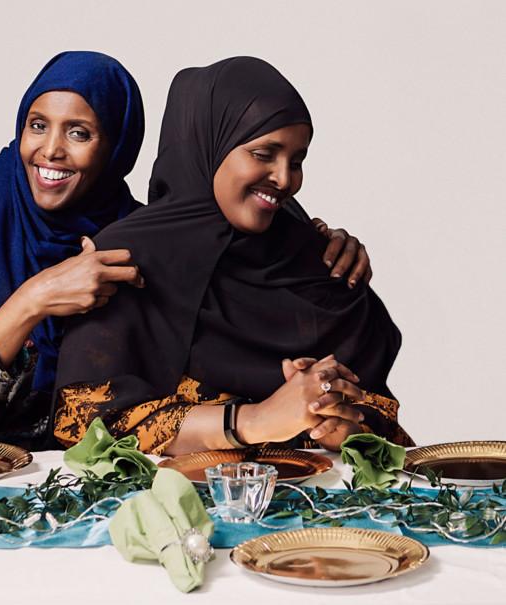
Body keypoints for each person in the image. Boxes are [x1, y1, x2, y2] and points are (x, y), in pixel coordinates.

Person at [0, 51, 370, 450]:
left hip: (91, 488)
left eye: (79, 133)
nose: (50, 150)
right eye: (37, 124)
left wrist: (318, 244)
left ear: (117, 149)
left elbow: (172, 396)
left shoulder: (138, 242)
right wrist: (33, 301)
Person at [53, 57, 411, 455]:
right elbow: (86, 423)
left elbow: (383, 426)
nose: (285, 178)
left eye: (296, 161)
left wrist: (338, 422)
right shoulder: (126, 258)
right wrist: (256, 420)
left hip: (317, 505)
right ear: (209, 144)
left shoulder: (323, 261)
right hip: (169, 509)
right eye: (263, 153)